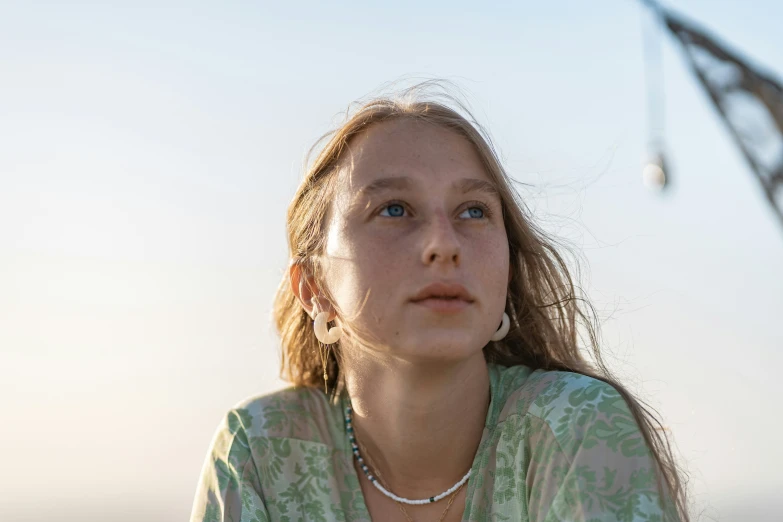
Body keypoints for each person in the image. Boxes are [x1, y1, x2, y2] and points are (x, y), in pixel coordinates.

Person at [189, 83, 688, 522]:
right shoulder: (260, 449)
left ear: (507, 269)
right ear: (314, 287)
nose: (443, 244)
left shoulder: (574, 427)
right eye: (394, 209)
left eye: (473, 211)